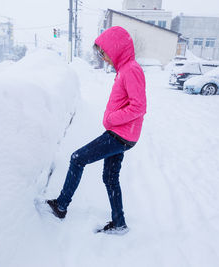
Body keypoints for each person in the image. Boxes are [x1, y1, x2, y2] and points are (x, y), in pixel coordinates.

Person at [46, 26, 147, 234]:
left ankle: (61, 206)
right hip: (122, 134)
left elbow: (139, 106)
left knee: (77, 158)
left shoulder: (131, 70)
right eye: (100, 53)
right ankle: (119, 224)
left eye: (104, 52)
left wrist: (112, 119)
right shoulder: (125, 70)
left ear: (116, 48)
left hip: (120, 134)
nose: (103, 57)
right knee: (110, 177)